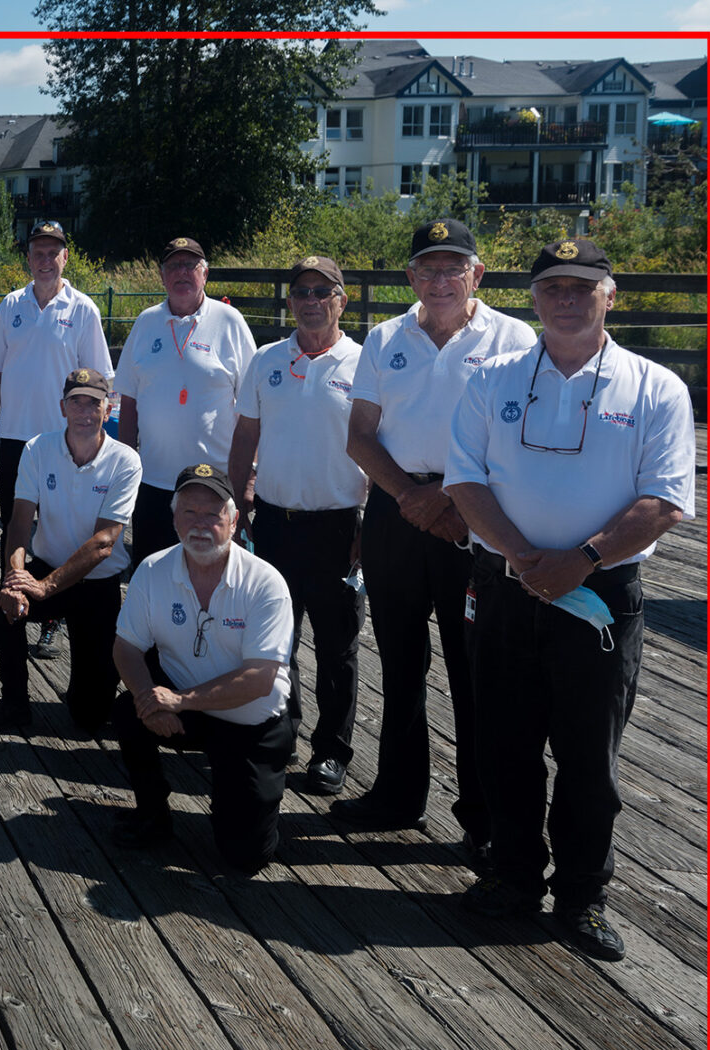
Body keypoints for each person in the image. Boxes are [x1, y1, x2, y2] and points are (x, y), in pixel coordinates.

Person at [443, 237, 693, 961]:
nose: (567, 299)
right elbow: (464, 479)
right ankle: (513, 876)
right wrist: (523, 559)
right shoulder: (492, 378)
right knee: (504, 744)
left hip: (600, 596)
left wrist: (580, 561)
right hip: (506, 585)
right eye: (553, 286)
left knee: (589, 756)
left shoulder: (655, 387)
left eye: (583, 287)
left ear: (610, 296)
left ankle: (583, 897)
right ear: (533, 298)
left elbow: (665, 500)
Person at [334, 218, 538, 860]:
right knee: (399, 662)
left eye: (454, 268)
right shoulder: (385, 337)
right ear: (411, 276)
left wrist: (450, 501)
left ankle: (482, 814)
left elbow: (516, 440)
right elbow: (359, 434)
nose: (441, 280)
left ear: (478, 274)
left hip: (474, 517)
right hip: (397, 510)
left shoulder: (514, 338)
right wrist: (409, 498)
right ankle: (397, 794)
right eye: (429, 268)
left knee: (476, 668)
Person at [109, 465, 297, 873]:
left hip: (251, 724)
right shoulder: (153, 570)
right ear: (174, 518)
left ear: (234, 520)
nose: (200, 525)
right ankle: (152, 814)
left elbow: (259, 679)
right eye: (189, 513)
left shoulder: (265, 583)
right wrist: (148, 700)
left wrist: (178, 701)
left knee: (245, 857)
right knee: (129, 710)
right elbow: (126, 647)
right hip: (187, 711)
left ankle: (253, 800)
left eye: (212, 514)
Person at [229, 255, 367, 798]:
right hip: (275, 524)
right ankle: (280, 732)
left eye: (322, 291)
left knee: (337, 647)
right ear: (289, 301)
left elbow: (384, 444)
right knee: (274, 640)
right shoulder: (266, 360)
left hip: (340, 528)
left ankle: (331, 751)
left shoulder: (365, 362)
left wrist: (369, 525)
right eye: (301, 292)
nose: (311, 301)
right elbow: (245, 436)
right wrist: (238, 503)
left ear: (341, 300)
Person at [0, 219, 111, 660]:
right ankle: (9, 604)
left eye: (54, 253)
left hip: (63, 442)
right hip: (15, 437)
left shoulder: (83, 309)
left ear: (65, 258)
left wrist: (97, 438)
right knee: (13, 528)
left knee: (57, 532)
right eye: (38, 253)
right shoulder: (10, 305)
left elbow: (100, 382)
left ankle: (51, 619)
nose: (46, 260)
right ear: (28, 258)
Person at [0, 368, 140, 736]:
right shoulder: (38, 449)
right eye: (75, 402)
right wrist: (15, 579)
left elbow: (104, 543)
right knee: (5, 606)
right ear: (62, 407)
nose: (84, 411)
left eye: (93, 403)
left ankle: (89, 695)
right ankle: (14, 704)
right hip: (46, 568)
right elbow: (19, 523)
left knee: (89, 718)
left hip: (97, 585)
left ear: (107, 408)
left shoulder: (126, 460)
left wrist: (45, 587)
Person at [115, 235, 257, 566]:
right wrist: (125, 466)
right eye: (174, 266)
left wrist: (250, 475)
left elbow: (253, 406)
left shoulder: (229, 321)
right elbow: (129, 401)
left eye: (190, 265)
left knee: (215, 579)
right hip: (153, 482)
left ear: (205, 273)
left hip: (215, 485)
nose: (182, 272)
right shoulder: (146, 322)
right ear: (162, 275)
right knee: (152, 572)